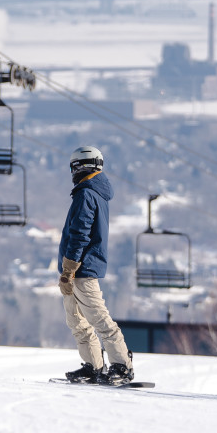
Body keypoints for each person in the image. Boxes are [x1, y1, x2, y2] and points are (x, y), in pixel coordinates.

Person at [58, 145, 133, 385]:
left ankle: (122, 365)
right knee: (76, 319)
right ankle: (93, 365)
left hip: (82, 268)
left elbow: (80, 234)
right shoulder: (90, 192)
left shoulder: (87, 194)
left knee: (98, 318)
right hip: (77, 268)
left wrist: (70, 269)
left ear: (80, 166)